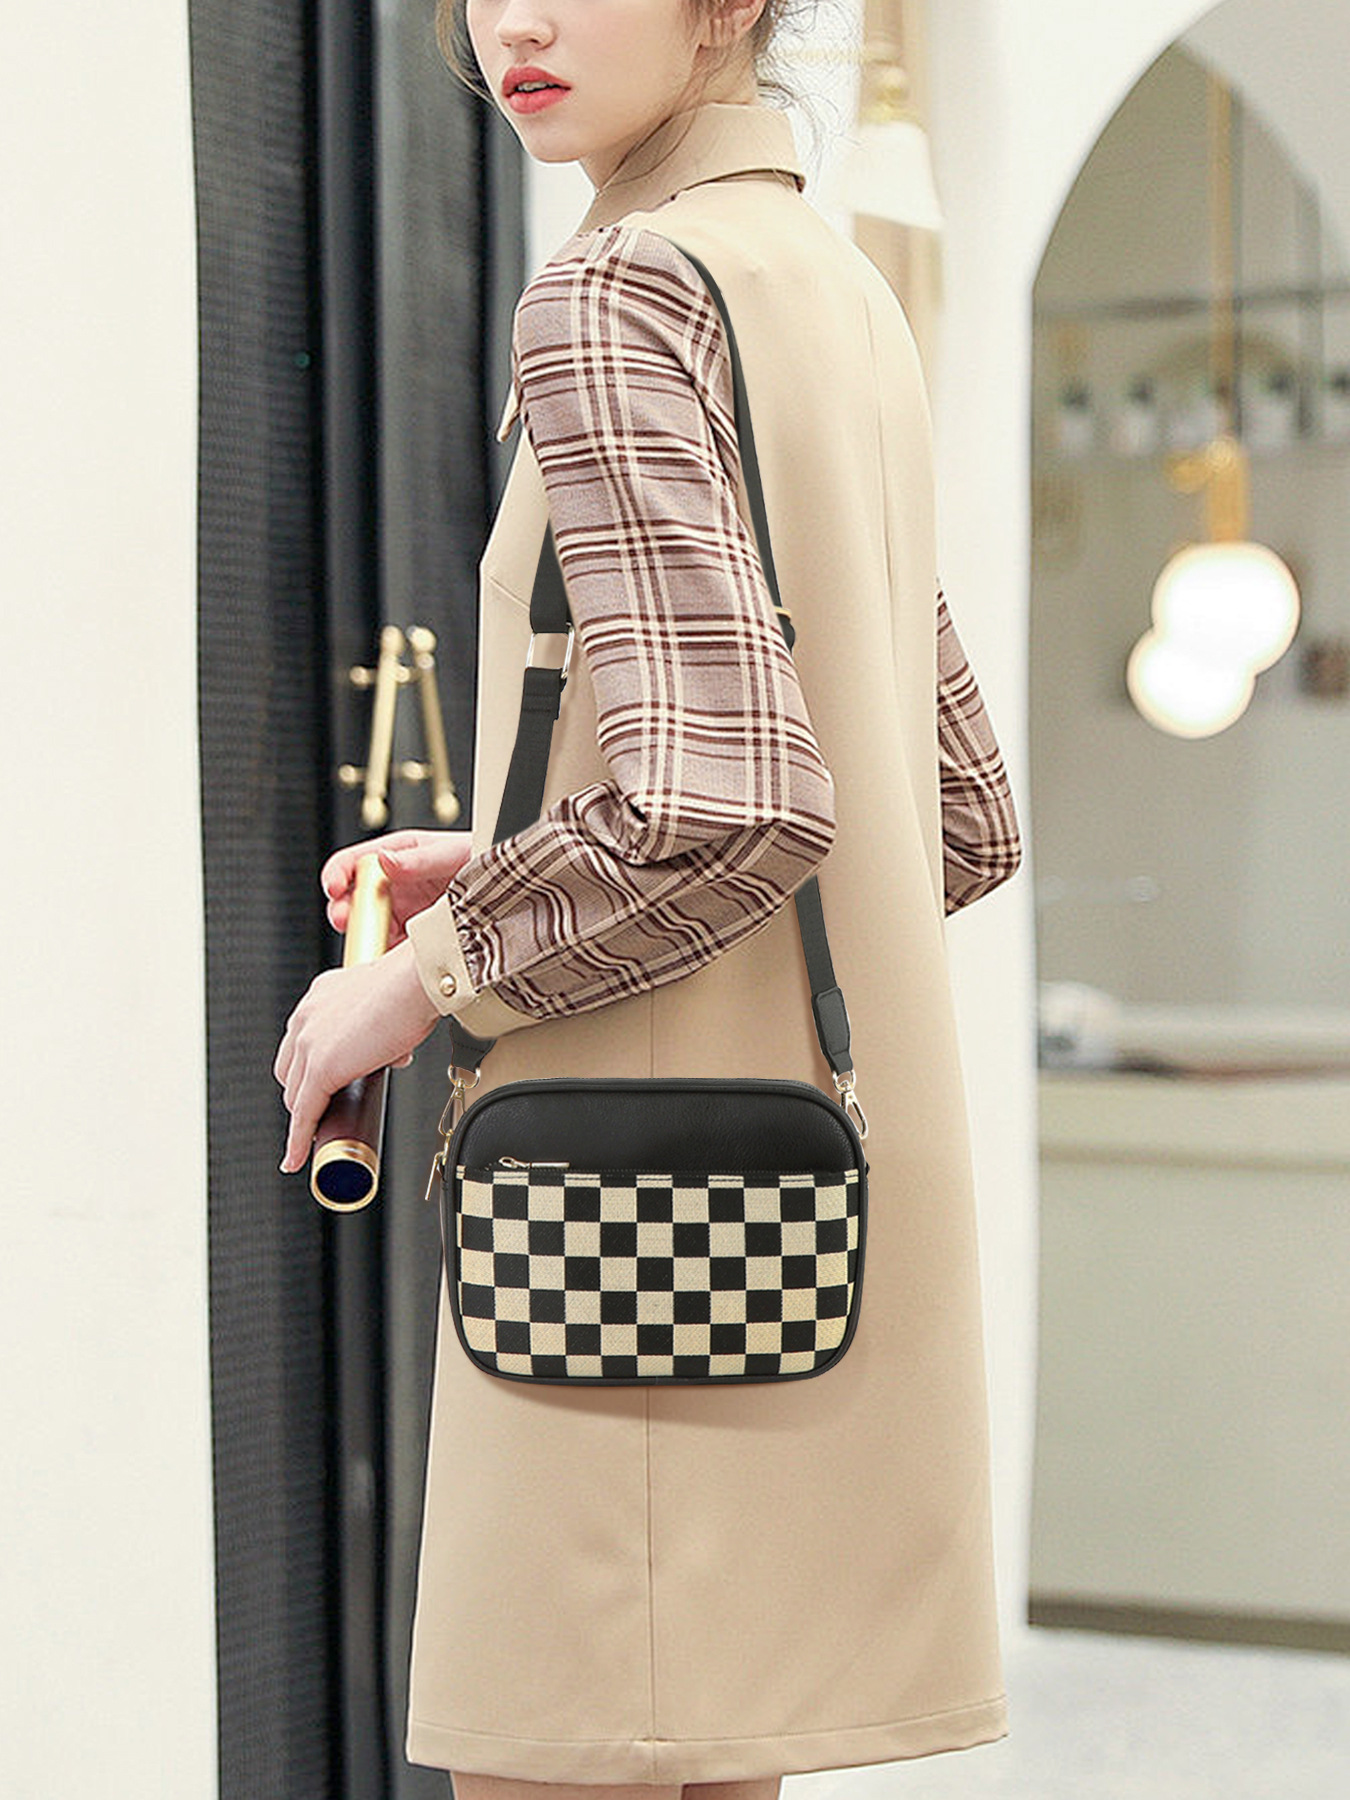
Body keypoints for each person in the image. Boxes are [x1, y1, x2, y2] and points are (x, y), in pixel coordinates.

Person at [275, 1, 1022, 1797]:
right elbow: (950, 811)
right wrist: (519, 848)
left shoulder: (616, 294)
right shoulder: (833, 294)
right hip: (807, 1213)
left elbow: (735, 802)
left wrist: (423, 972)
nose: (512, 24)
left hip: (619, 1228)